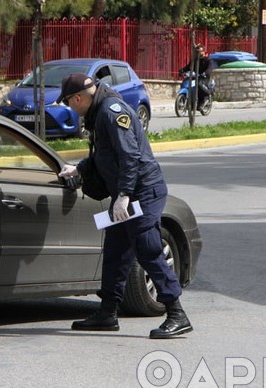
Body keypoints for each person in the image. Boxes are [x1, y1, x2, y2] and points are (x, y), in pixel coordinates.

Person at [57, 73, 193, 339]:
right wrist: (80, 168)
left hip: (142, 192)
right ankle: (107, 313)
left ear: (78, 98)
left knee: (148, 249)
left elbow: (129, 156)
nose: (71, 109)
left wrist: (123, 195)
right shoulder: (98, 110)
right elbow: (104, 156)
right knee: (116, 250)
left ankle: (177, 314)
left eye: (69, 104)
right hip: (129, 194)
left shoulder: (111, 111)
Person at [179, 43, 212, 112]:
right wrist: (182, 70)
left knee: (199, 84)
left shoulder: (208, 60)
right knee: (185, 83)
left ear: (203, 51)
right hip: (195, 76)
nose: (198, 53)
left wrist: (205, 73)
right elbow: (188, 67)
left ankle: (206, 97)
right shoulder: (195, 60)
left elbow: (209, 69)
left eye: (200, 52)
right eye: (197, 52)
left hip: (204, 78)